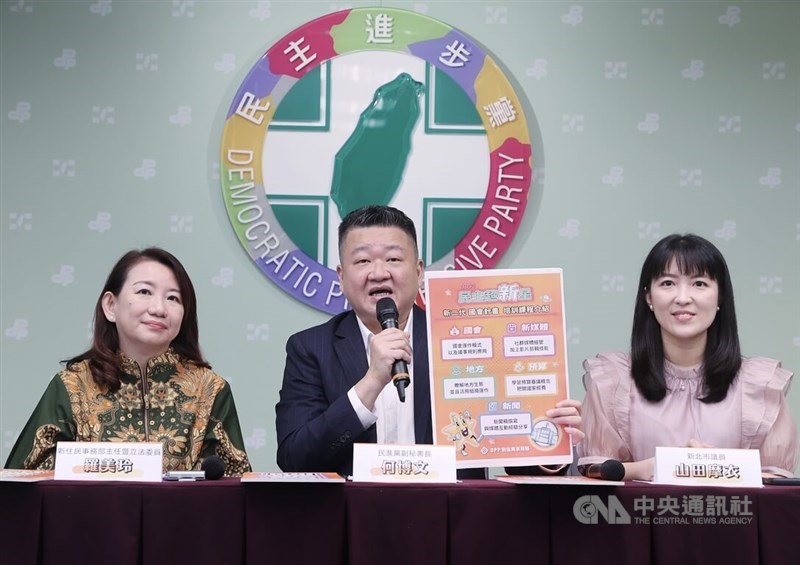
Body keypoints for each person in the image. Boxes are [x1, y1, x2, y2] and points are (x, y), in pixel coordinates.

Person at [275, 205, 583, 477]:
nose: (379, 273)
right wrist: (370, 382)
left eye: (394, 258)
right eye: (363, 261)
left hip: (452, 523)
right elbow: (294, 458)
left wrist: (549, 442)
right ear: (341, 277)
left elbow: (513, 457)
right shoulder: (310, 349)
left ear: (419, 272)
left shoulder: (465, 339)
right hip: (352, 524)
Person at [5, 247, 252, 477]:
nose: (158, 308)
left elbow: (232, 488)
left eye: (173, 298)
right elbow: (23, 482)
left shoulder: (210, 389)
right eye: (144, 292)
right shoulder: (72, 385)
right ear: (111, 305)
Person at [579, 234, 798, 479]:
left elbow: (776, 485)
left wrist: (701, 467)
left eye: (699, 283)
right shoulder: (613, 380)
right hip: (637, 516)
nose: (683, 298)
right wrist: (665, 465)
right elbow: (594, 472)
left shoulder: (760, 385)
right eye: (667, 283)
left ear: (720, 297)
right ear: (649, 297)